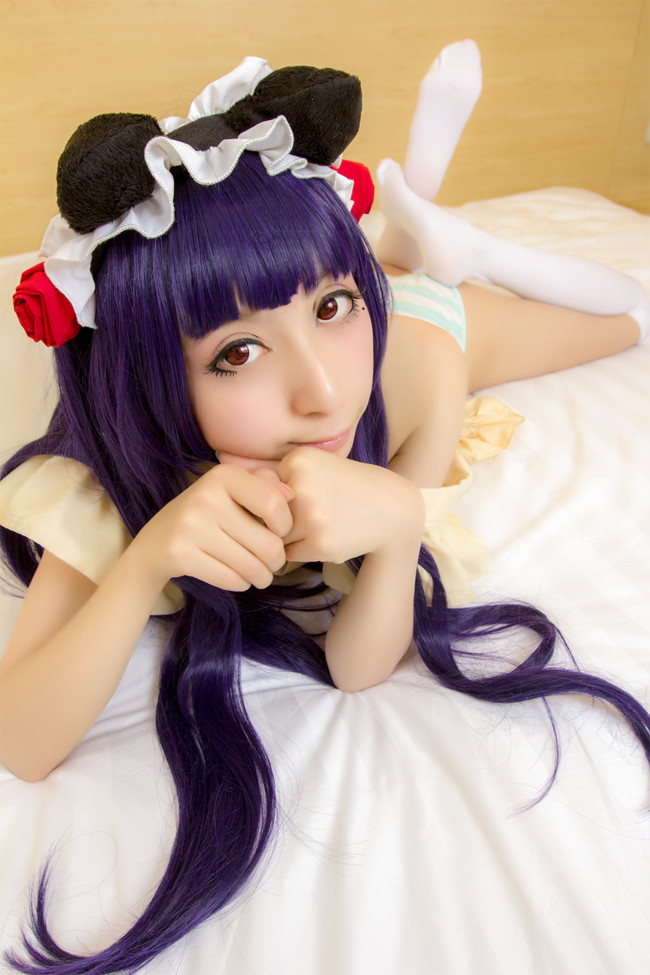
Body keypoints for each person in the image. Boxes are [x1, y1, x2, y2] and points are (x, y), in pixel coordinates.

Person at [1, 45, 649, 975]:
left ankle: (447, 243)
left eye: (332, 304)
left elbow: (357, 666)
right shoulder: (123, 479)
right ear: (153, 381)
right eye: (237, 353)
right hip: (375, 315)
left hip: (424, 327)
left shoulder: (401, 379)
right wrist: (144, 563)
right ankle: (395, 236)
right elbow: (22, 741)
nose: (322, 395)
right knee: (372, 277)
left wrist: (398, 519)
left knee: (627, 315)